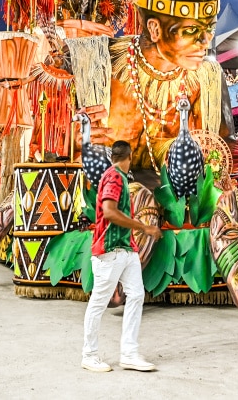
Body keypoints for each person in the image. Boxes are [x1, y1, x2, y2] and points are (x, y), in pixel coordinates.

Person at [83, 0, 235, 190]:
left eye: (209, 29)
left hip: (185, 215)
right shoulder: (95, 65)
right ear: (154, 28)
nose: (205, 41)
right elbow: (49, 138)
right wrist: (75, 138)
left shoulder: (209, 79)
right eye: (191, 30)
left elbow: (227, 149)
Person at [81, 140, 164, 373]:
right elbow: (109, 212)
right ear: (130, 156)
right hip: (110, 251)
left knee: (136, 295)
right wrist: (144, 227)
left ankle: (129, 353)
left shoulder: (118, 177)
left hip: (126, 250)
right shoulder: (114, 177)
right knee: (98, 302)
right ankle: (89, 355)